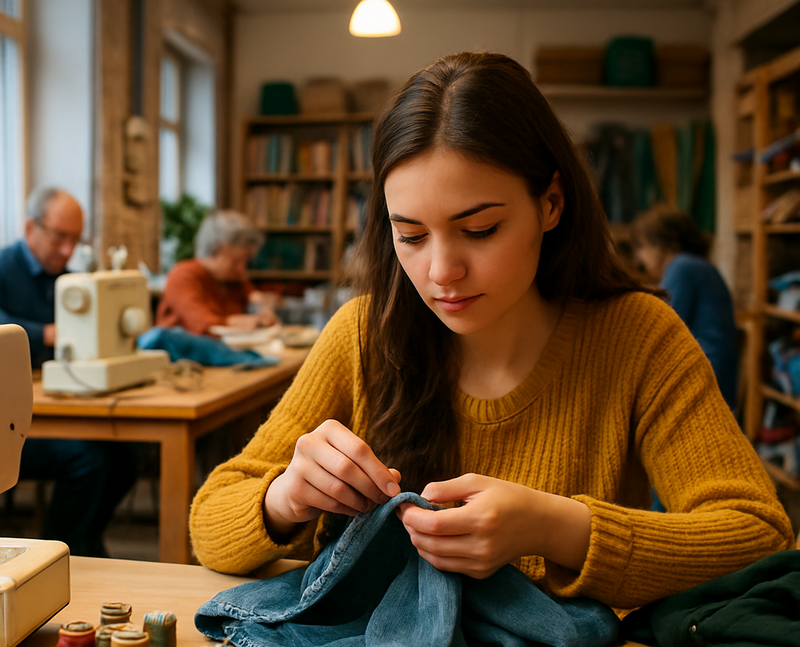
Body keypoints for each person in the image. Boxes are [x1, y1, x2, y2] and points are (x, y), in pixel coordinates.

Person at [189, 52, 793, 614]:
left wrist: (553, 527)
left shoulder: (638, 337)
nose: (441, 271)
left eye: (479, 230)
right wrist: (285, 498)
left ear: (551, 204)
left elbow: (758, 539)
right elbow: (209, 522)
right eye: (412, 235)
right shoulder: (363, 333)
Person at [0, 187, 138, 557]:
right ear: (31, 227)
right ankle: (56, 551)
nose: (67, 250)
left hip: (54, 405)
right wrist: (43, 333)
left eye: (75, 240)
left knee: (126, 457)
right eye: (60, 237)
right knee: (89, 458)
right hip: (8, 420)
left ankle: (83, 544)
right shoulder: (2, 266)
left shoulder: (72, 278)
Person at [631, 204, 739, 410]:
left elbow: (661, 325)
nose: (639, 259)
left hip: (705, 379)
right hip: (718, 377)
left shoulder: (682, 266)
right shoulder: (697, 265)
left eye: (642, 247)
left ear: (662, 243)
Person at [155, 209, 278, 337]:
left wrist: (264, 309)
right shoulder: (183, 275)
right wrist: (240, 322)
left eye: (246, 261)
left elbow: (256, 299)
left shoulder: (233, 278)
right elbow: (202, 325)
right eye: (236, 261)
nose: (242, 269)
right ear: (217, 250)